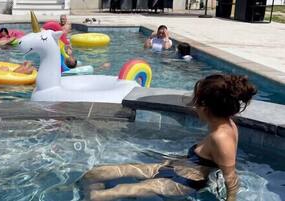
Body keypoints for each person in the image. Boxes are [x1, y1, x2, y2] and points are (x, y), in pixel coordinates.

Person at [82, 74, 257, 201]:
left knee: (105, 195)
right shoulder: (223, 125)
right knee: (93, 174)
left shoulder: (221, 137)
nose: (194, 107)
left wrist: (231, 199)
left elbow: (231, 177)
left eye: (196, 103)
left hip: (182, 183)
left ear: (205, 107)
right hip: (175, 168)